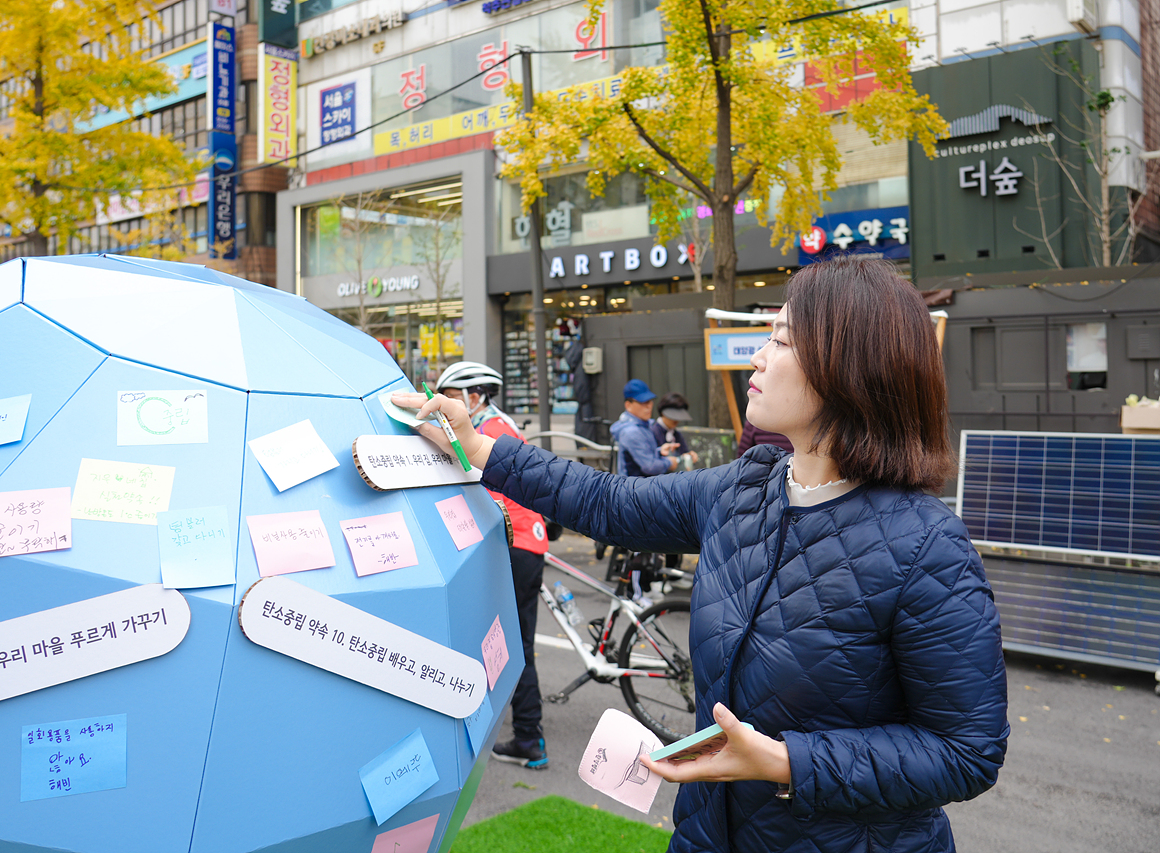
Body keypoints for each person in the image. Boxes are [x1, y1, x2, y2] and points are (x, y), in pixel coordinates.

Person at [396, 256, 1007, 853]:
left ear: (849, 365)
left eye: (782, 340)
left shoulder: (928, 546)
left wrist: (784, 761)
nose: (760, 357)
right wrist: (476, 445)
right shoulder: (746, 486)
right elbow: (609, 502)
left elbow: (965, 752)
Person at [434, 360, 550, 770]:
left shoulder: (487, 431)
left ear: (474, 396)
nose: (445, 407)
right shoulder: (505, 424)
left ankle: (527, 737)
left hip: (511, 542)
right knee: (515, 639)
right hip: (529, 540)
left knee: (504, 640)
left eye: (449, 398)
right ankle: (521, 730)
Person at [611, 379, 679, 477]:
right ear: (628, 405)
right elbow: (649, 467)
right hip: (632, 490)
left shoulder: (643, 425)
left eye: (650, 401)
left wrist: (659, 451)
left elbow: (642, 456)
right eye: (643, 402)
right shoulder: (631, 432)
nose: (649, 406)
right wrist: (670, 462)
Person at [650, 392, 699, 470]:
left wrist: (690, 456)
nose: (676, 419)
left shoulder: (677, 434)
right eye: (673, 416)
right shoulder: (652, 432)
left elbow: (683, 453)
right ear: (663, 413)